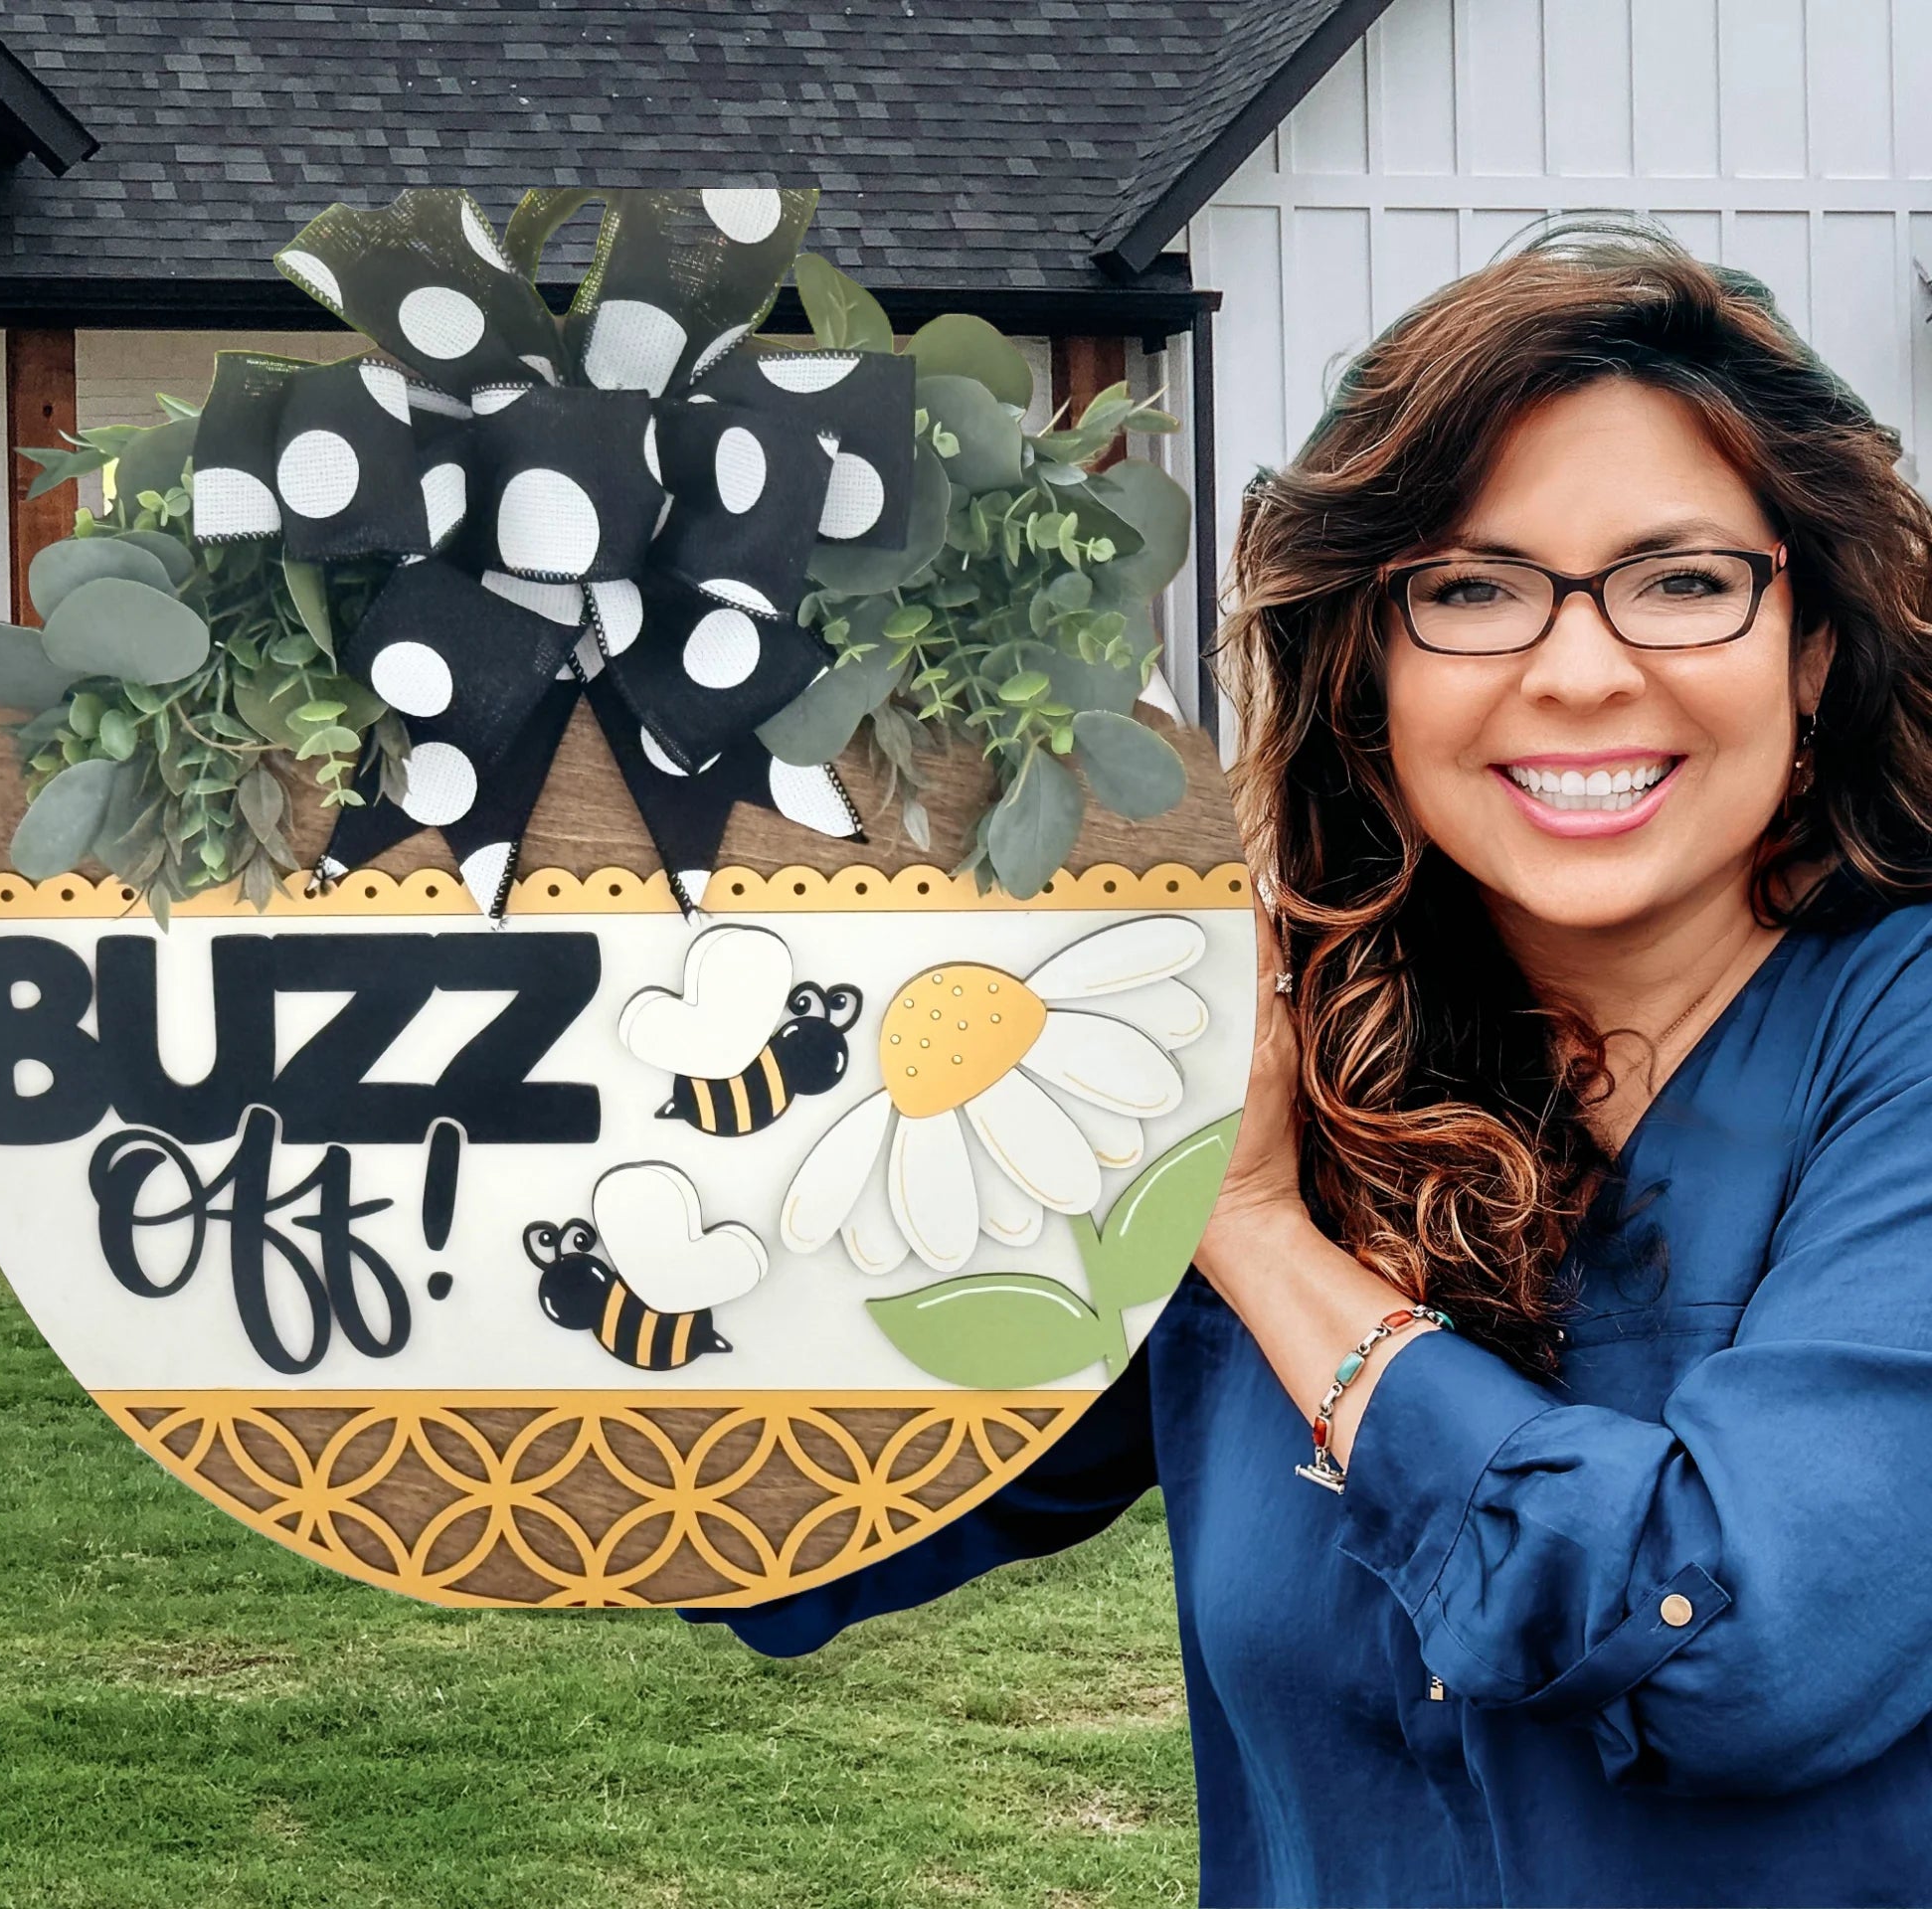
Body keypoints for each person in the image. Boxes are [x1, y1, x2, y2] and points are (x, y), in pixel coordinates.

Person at [689, 228, 1932, 1906]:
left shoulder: (1894, 1044)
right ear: (1372, 668)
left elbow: (1742, 1645)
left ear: (1815, 645)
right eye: (1471, 590)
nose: (1577, 670)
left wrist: (1266, 1233)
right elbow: (790, 1512)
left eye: (1684, 580)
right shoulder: (1280, 1045)